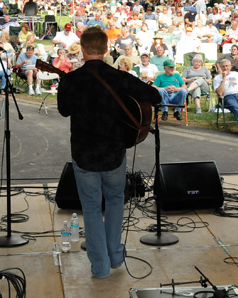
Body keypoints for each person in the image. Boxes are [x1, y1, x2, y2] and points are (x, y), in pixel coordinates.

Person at [57, 27, 160, 279]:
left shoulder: (72, 79)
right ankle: (115, 256)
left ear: (81, 49)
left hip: (84, 154)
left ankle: (100, 267)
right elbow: (154, 96)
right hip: (114, 153)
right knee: (115, 201)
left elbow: (63, 110)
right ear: (105, 50)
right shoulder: (118, 77)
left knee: (91, 207)